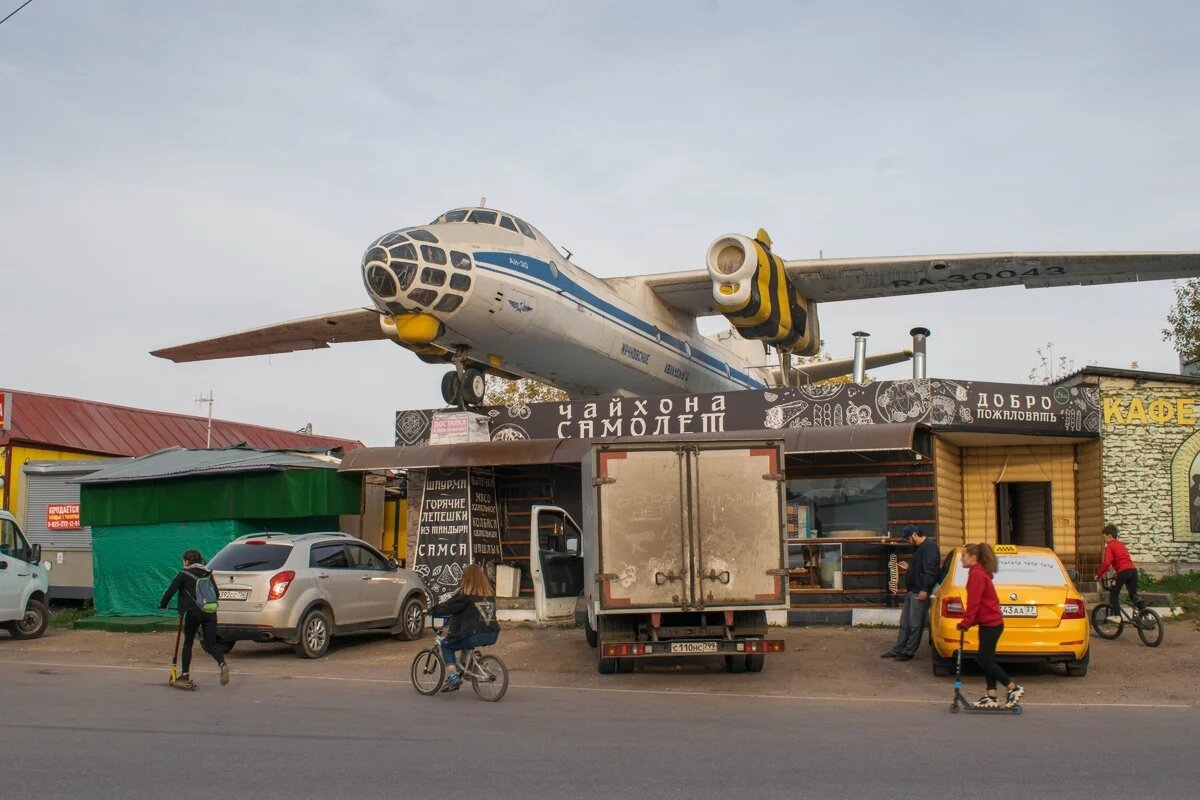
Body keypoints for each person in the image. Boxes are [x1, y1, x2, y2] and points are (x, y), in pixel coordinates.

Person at [958, 543, 1024, 708]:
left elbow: (974, 603)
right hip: (989, 622)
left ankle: (1012, 687)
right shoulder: (978, 572)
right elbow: (980, 604)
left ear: (973, 557)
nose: (961, 559)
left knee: (984, 660)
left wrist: (966, 622)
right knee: (987, 658)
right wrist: (970, 622)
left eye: (964, 555)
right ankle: (992, 694)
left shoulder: (977, 575)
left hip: (991, 623)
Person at [159, 549, 229, 689]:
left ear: (186, 561)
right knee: (210, 643)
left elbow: (170, 592)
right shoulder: (208, 573)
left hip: (193, 612)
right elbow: (216, 593)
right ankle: (222, 664)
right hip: (210, 611)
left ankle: (185, 675)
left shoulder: (183, 574)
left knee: (188, 644)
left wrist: (163, 605)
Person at [429, 563, 500, 692]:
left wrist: (430, 611)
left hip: (473, 634)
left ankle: (453, 676)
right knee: (465, 642)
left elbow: (447, 607)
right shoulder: (489, 595)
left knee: (446, 645)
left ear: (466, 578)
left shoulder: (464, 595)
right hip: (491, 634)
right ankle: (467, 667)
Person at [881, 524, 940, 662]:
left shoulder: (929, 548)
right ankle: (898, 649)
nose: (908, 541)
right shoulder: (920, 548)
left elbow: (931, 570)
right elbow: (922, 568)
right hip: (913, 590)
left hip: (919, 591)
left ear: (914, 535)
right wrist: (909, 568)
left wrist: (925, 589)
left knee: (915, 624)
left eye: (908, 538)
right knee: (905, 622)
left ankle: (908, 651)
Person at [1096, 523, 1142, 624]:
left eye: (1104, 537)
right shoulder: (1121, 545)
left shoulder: (1110, 546)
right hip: (1133, 571)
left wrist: (1098, 574)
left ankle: (1117, 616)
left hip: (1123, 572)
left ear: (1109, 536)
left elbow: (1107, 563)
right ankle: (1145, 613)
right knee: (1133, 594)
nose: (1104, 540)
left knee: (1113, 593)